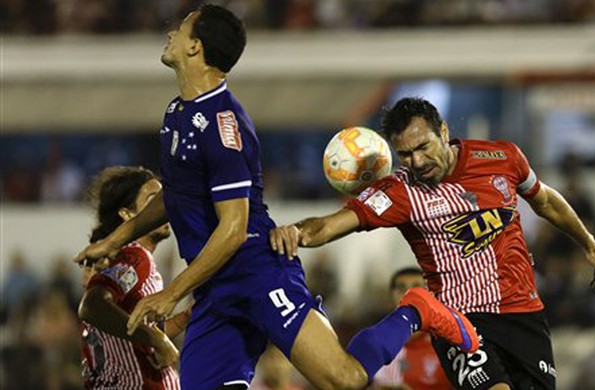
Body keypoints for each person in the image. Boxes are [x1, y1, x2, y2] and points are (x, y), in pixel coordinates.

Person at [75, 6, 478, 390]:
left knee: (345, 380)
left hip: (256, 270)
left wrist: (170, 294)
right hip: (214, 286)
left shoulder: (224, 127)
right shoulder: (176, 113)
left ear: (196, 47)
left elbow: (233, 231)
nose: (170, 33)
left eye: (180, 29)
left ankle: (417, 309)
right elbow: (177, 198)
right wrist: (116, 239)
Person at [270, 97, 595, 390]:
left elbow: (546, 200)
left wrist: (590, 245)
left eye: (423, 147)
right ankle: (424, 309)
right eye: (406, 154)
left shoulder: (502, 157)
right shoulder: (398, 192)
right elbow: (332, 225)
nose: (417, 161)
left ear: (443, 131)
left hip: (524, 314)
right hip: (458, 321)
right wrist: (297, 233)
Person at [78, 166, 185, 389]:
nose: (165, 208)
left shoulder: (128, 261)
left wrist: (187, 318)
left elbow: (133, 334)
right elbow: (92, 305)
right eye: (154, 200)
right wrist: (159, 341)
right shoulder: (135, 257)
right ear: (127, 214)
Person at [373, 267, 453, 390]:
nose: (408, 294)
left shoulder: (446, 344)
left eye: (416, 287)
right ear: (391, 294)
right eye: (401, 288)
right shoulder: (375, 344)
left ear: (430, 294)